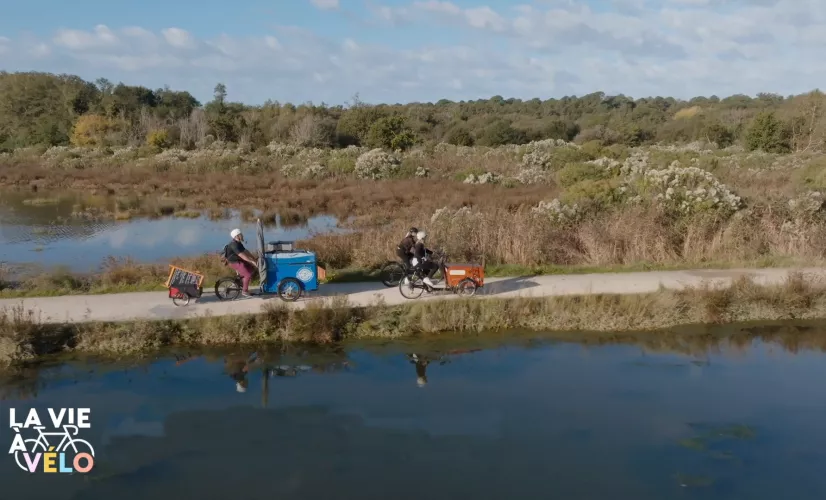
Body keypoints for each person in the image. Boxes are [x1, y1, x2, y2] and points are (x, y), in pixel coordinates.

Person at [224, 228, 258, 297]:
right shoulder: (234, 245)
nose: (242, 236)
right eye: (241, 234)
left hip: (238, 260)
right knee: (247, 275)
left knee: (251, 268)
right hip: (234, 262)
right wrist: (251, 261)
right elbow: (242, 255)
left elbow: (245, 251)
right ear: (236, 236)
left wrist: (253, 258)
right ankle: (244, 291)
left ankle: (240, 283)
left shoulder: (238, 243)